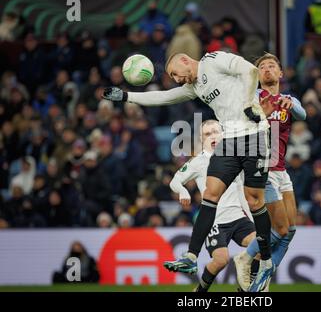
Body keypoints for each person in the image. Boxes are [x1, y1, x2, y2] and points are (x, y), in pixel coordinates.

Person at [102, 51, 289, 291]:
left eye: (175, 74)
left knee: (255, 201)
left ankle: (264, 261)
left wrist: (247, 105)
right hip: (229, 139)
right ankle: (190, 257)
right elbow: (164, 97)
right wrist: (127, 96)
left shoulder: (214, 60)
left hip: (253, 134)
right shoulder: (195, 86)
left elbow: (250, 71)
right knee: (210, 194)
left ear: (185, 61)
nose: (176, 79)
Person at [233, 53, 307, 291]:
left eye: (271, 66)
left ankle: (261, 281)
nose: (267, 69)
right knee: (280, 229)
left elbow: (303, 115)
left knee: (290, 231)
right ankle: (246, 257)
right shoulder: (252, 97)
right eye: (262, 67)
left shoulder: (287, 99)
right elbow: (242, 123)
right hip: (261, 169)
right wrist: (259, 113)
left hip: (281, 170)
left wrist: (291, 103)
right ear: (257, 74)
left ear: (280, 73)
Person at [169, 120, 255, 292]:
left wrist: (252, 217)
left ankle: (246, 288)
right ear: (202, 139)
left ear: (223, 133)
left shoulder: (236, 157)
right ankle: (200, 291)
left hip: (238, 217)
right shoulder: (199, 161)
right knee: (221, 260)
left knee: (260, 245)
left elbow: (242, 191)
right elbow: (175, 181)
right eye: (208, 134)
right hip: (214, 221)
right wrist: (182, 191)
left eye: (216, 131)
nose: (213, 136)